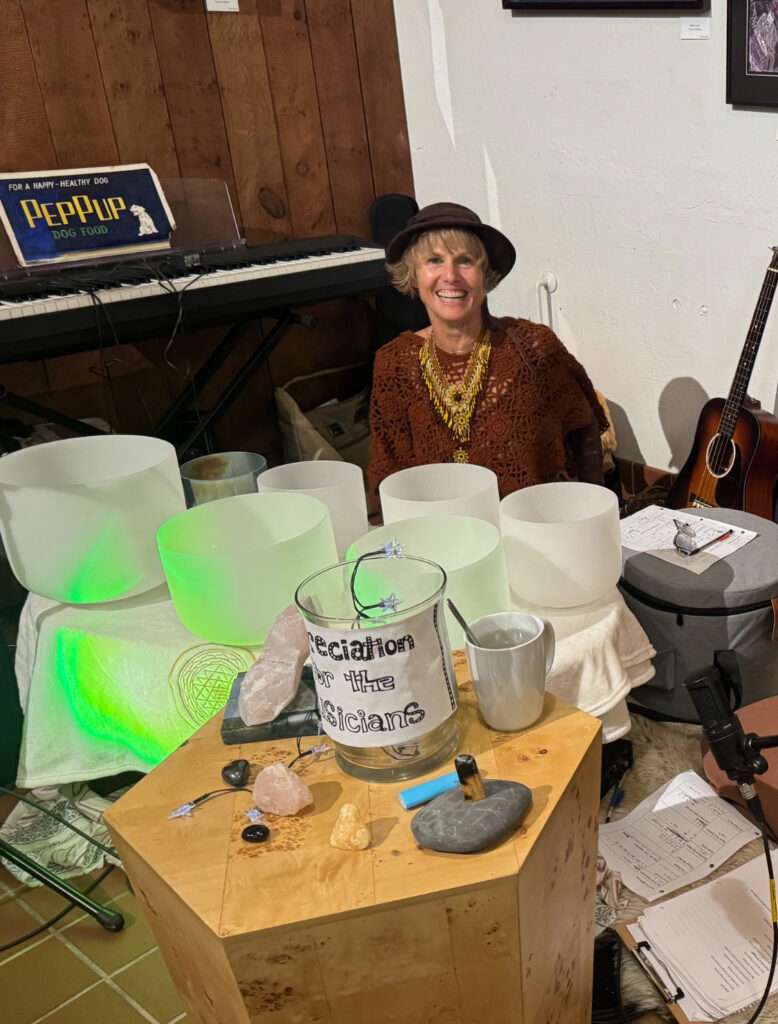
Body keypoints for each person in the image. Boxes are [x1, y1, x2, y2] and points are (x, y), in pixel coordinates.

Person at [368, 202, 608, 500]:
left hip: (530, 532)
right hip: (439, 536)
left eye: (465, 261)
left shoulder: (533, 349)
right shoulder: (395, 363)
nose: (450, 275)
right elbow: (390, 479)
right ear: (414, 275)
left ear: (485, 275)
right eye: (434, 260)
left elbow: (584, 433)